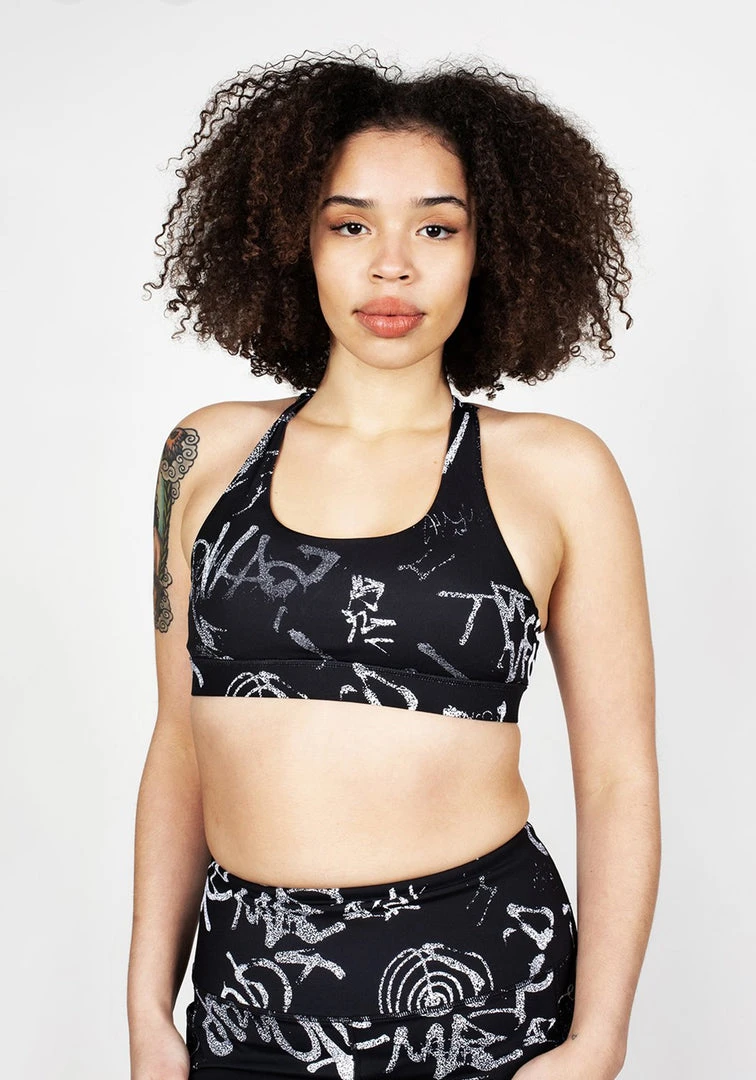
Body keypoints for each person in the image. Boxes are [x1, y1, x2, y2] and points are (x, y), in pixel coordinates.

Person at [127, 48, 660, 1080]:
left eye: (436, 228)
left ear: (489, 249)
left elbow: (617, 776)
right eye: (350, 225)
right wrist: (149, 1010)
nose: (392, 267)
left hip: (485, 998)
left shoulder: (557, 471)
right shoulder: (203, 455)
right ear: (295, 240)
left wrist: (599, 1039)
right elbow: (179, 744)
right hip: (249, 1004)